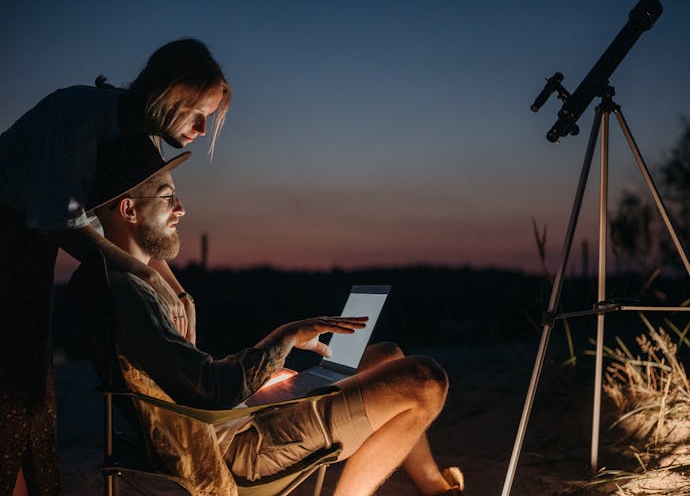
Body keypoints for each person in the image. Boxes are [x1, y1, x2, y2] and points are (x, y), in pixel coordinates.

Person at [67, 164, 465, 495]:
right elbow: (209, 387)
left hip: (235, 417)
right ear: (129, 210)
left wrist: (264, 376)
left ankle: (434, 488)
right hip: (242, 446)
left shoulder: (127, 283)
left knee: (387, 355)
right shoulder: (131, 295)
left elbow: (187, 377)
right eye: (169, 198)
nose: (182, 209)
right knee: (424, 380)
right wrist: (285, 338)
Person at [0, 38, 230, 495]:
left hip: (28, 240)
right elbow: (61, 224)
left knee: (30, 379)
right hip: (8, 233)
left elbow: (129, 231)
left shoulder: (135, 134)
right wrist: (146, 276)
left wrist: (178, 290)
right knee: (13, 382)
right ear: (168, 96)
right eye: (196, 114)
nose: (203, 130)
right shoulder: (80, 116)